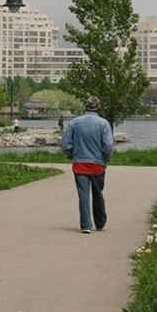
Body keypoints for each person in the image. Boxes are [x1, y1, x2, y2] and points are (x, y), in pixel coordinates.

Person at [61, 96, 114, 234]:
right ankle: (100, 222)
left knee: (83, 195)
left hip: (80, 163)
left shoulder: (74, 123)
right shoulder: (103, 123)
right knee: (98, 193)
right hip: (98, 164)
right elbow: (108, 145)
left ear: (85, 106)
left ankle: (86, 225)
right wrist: (106, 158)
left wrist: (71, 155)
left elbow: (66, 144)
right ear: (98, 107)